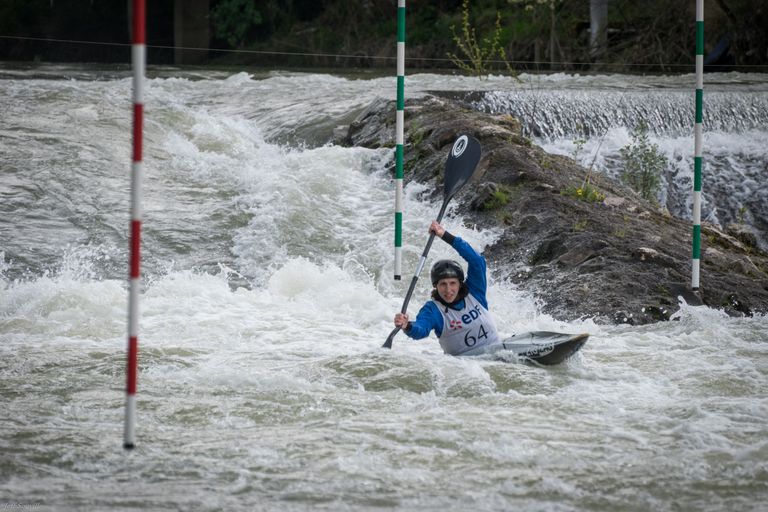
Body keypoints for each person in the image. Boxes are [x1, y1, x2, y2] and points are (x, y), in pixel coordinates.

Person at [394, 220, 500, 356]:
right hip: (467, 366)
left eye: (452, 283)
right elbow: (421, 329)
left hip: (496, 351)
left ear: (460, 283)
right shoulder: (433, 310)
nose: (448, 290)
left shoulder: (474, 291)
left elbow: (477, 261)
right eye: (443, 284)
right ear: (436, 286)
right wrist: (407, 325)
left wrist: (444, 235)